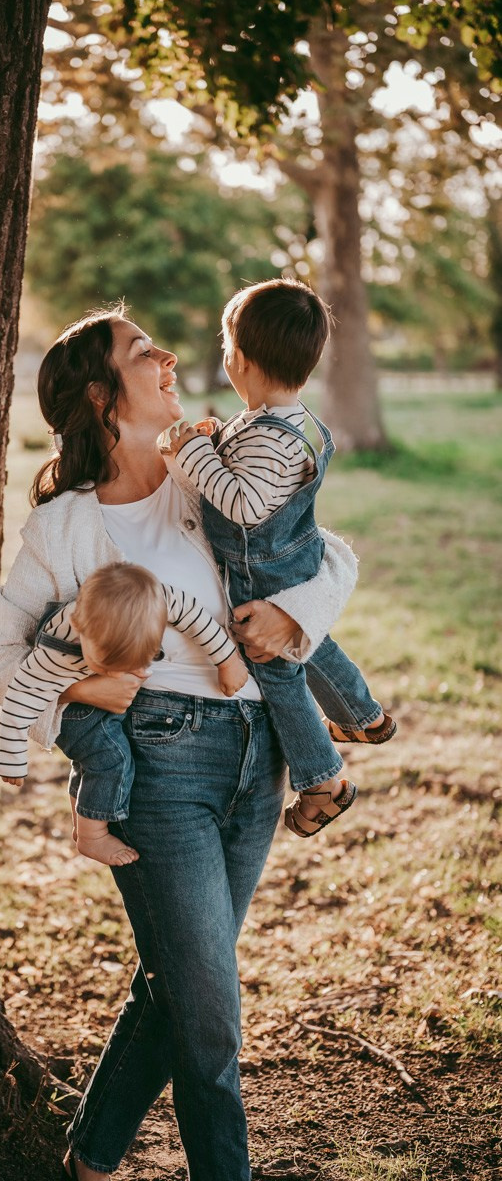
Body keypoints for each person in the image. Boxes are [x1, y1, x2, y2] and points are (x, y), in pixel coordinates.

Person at [0, 303, 358, 1181]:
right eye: (144, 352)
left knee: (180, 978)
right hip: (156, 769)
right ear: (103, 398)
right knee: (212, 1012)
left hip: (261, 758)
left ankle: (93, 1156)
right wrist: (81, 684)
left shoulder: (210, 475)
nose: (170, 358)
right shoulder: (64, 528)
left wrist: (292, 612)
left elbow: (334, 558)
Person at [170, 278, 395, 837]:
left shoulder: (269, 436)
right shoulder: (291, 423)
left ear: (238, 360)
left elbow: (245, 504)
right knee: (311, 640)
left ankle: (322, 781)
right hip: (293, 557)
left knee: (280, 673)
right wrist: (218, 437)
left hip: (261, 572)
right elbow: (257, 474)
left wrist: (193, 452)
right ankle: (363, 715)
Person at [0, 561, 247, 866]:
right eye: (107, 667)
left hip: (102, 689)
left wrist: (227, 659)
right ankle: (92, 836)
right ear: (80, 626)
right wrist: (11, 757)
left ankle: (84, 809)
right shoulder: (55, 653)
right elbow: (20, 697)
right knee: (111, 758)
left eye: (136, 663)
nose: (127, 674)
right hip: (76, 704)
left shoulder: (157, 600)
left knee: (95, 761)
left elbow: (196, 618)